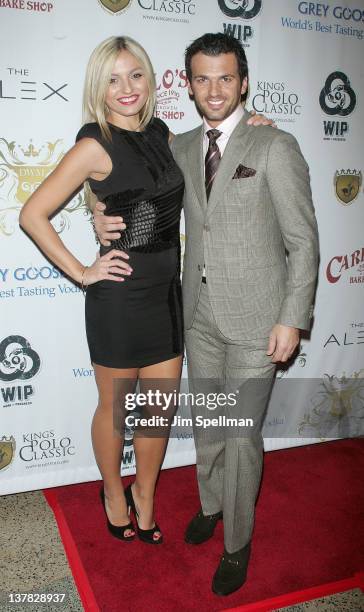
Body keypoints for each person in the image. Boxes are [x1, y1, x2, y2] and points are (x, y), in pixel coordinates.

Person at [94, 32, 319, 594]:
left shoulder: (275, 145)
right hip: (196, 317)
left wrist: (293, 317)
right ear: (188, 85)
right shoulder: (179, 145)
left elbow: (304, 241)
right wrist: (96, 213)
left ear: (244, 83)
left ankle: (237, 542)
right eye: (202, 78)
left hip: (259, 321)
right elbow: (123, 182)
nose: (214, 89)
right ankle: (213, 505)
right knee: (211, 428)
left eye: (225, 78)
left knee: (239, 434)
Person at [19, 35, 187, 545]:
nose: (126, 87)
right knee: (115, 407)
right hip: (120, 296)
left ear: (150, 78)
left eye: (135, 74)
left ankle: (146, 495)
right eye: (113, 79)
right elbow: (33, 214)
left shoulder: (164, 134)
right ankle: (114, 493)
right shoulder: (94, 144)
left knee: (160, 407)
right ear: (99, 88)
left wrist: (255, 123)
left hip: (166, 294)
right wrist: (83, 271)